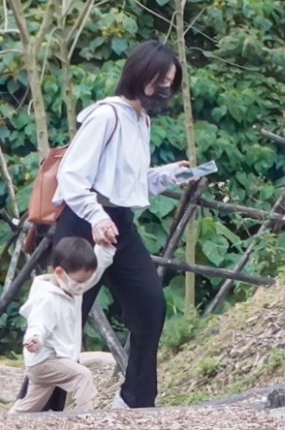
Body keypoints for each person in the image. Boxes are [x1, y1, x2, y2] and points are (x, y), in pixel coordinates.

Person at [45, 40, 191, 410]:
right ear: (143, 76)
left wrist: (168, 176)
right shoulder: (105, 116)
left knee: (149, 305)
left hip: (120, 224)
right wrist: (96, 218)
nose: (165, 90)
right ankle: (43, 410)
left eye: (170, 83)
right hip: (82, 223)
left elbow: (129, 183)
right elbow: (72, 176)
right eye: (162, 81)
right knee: (66, 318)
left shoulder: (141, 120)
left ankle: (136, 401)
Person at [9, 237, 116, 413]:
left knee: (27, 408)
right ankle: (88, 420)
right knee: (82, 376)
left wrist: (105, 249)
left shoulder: (71, 285)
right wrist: (34, 338)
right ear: (59, 273)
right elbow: (38, 323)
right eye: (80, 282)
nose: (83, 287)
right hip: (45, 360)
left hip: (49, 360)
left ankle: (7, 423)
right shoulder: (47, 298)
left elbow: (94, 275)